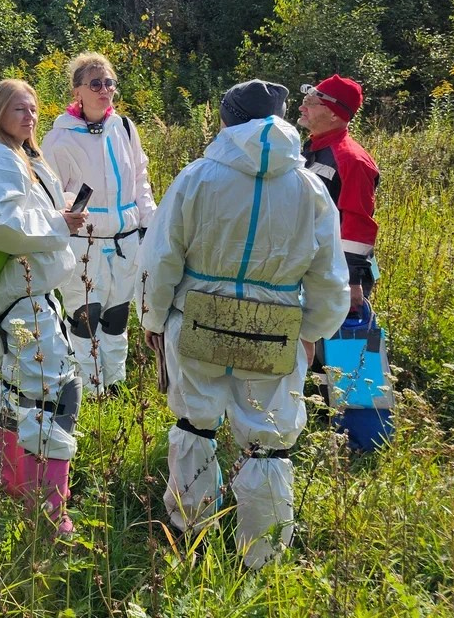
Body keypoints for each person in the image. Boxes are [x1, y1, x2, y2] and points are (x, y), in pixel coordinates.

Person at [140, 80, 349, 568]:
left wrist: (151, 316)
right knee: (267, 443)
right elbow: (330, 276)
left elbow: (161, 258)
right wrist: (312, 332)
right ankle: (264, 555)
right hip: (276, 324)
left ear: (227, 119)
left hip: (200, 316)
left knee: (195, 423)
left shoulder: (197, 178)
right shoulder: (310, 187)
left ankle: (190, 536)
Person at [0, 79, 86, 534]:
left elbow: (26, 212)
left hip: (32, 290)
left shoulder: (22, 155)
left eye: (34, 109)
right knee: (50, 391)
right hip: (20, 289)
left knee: (22, 386)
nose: (30, 117)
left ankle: (17, 486)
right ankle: (49, 510)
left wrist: (63, 213)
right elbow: (0, 224)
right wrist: (60, 222)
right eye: (19, 109)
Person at [41, 52, 156, 397]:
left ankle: (115, 383)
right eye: (95, 84)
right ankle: (90, 388)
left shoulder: (123, 127)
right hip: (84, 242)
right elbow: (49, 190)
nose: (104, 90)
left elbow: (140, 176)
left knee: (118, 317)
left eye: (109, 83)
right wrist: (66, 215)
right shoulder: (60, 137)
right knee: (85, 317)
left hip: (126, 239)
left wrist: (149, 221)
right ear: (77, 91)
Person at [297, 75, 379, 315]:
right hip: (313, 265)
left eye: (311, 102)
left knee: (329, 346)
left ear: (334, 113)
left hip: (338, 275)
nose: (302, 107)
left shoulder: (352, 160)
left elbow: (358, 223)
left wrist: (352, 281)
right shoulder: (313, 147)